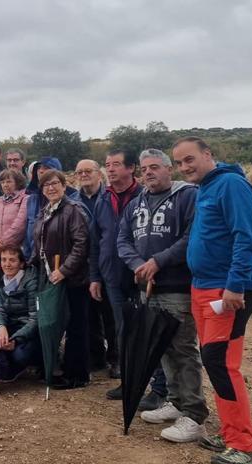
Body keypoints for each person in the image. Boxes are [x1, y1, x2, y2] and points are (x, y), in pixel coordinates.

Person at [173, 137, 252, 464]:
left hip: (226, 292)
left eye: (190, 159)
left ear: (208, 155)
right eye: (180, 162)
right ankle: (230, 433)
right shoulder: (206, 188)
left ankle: (243, 446)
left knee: (221, 363)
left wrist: (235, 285)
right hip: (203, 288)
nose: (185, 167)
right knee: (215, 362)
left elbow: (245, 237)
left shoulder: (230, 184)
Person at [116, 148, 208, 443]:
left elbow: (190, 238)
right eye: (144, 169)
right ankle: (176, 402)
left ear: (170, 169)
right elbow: (123, 240)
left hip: (177, 286)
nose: (148, 173)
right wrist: (138, 265)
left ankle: (194, 415)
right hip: (147, 287)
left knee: (182, 350)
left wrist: (158, 261)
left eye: (155, 167)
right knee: (162, 348)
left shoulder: (187, 197)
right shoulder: (136, 203)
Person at [89, 150, 156, 403]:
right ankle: (130, 382)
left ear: (131, 168)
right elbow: (96, 242)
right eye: (107, 165)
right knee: (122, 329)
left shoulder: (145, 196)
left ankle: (156, 387)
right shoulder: (103, 199)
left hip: (141, 274)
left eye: (116, 164)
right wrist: (95, 276)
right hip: (112, 275)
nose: (111, 169)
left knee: (146, 330)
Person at [32, 169, 90, 389]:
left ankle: (77, 375)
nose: (51, 188)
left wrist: (65, 270)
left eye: (55, 183)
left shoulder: (73, 210)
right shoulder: (45, 211)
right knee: (53, 323)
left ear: (65, 186)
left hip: (72, 278)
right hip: (50, 276)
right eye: (46, 185)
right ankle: (54, 366)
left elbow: (81, 244)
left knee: (76, 326)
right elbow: (39, 244)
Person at [74, 159, 116, 375]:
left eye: (87, 171)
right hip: (83, 266)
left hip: (109, 263)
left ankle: (116, 359)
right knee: (89, 315)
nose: (83, 175)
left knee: (111, 314)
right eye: (79, 172)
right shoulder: (72, 201)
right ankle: (96, 357)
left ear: (99, 174)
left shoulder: (110, 197)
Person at [0, 245, 40, 380]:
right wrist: (0, 327)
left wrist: (16, 339)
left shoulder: (30, 282)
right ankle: (0, 363)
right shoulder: (2, 282)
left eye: (12, 260)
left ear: (21, 263)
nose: (7, 264)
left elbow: (35, 318)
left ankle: (28, 363)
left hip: (27, 330)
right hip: (9, 325)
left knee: (20, 355)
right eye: (4, 260)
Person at [22, 157, 65, 259]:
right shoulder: (32, 199)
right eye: (39, 168)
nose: (41, 170)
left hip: (57, 259)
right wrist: (27, 255)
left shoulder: (70, 198)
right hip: (34, 257)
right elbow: (28, 228)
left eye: (46, 168)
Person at [0, 169, 29, 251]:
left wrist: (3, 243)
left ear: (18, 182)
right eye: (2, 182)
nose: (5, 185)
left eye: (8, 182)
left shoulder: (25, 199)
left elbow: (20, 224)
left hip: (15, 249)